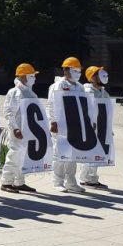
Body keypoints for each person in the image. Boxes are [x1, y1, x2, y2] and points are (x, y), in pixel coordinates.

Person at [46, 57, 86, 193]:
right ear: (66, 70)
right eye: (75, 70)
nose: (78, 73)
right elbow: (51, 104)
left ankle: (71, 182)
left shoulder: (80, 87)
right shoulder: (58, 86)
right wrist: (53, 121)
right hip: (61, 125)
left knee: (72, 154)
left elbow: (84, 106)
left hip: (75, 125)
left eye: (79, 71)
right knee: (59, 153)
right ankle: (57, 181)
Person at [0, 64, 40, 194]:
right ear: (23, 76)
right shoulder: (15, 92)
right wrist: (15, 128)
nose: (34, 78)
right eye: (31, 75)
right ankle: (6, 182)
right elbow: (9, 112)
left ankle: (19, 182)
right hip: (18, 131)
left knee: (23, 156)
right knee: (14, 155)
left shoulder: (29, 91)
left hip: (28, 130)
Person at [77, 66, 110, 189]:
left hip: (101, 126)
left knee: (97, 153)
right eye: (98, 74)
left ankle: (93, 178)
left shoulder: (103, 92)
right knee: (88, 153)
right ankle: (84, 178)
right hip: (90, 127)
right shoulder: (87, 91)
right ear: (92, 78)